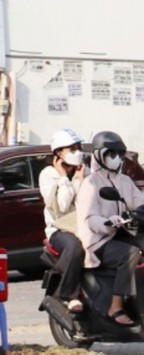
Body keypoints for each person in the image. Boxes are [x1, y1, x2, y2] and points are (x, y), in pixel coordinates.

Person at [81, 131, 144, 327]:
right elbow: (90, 218)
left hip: (121, 234)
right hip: (98, 241)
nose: (116, 158)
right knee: (130, 253)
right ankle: (115, 306)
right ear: (100, 155)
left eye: (119, 154)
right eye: (111, 153)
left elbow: (140, 203)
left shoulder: (124, 180)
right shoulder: (91, 183)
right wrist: (106, 222)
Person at [38, 128, 88, 311]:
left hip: (84, 226)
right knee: (75, 246)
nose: (77, 153)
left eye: (78, 148)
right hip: (60, 229)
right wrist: (65, 178)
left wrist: (81, 178)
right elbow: (63, 205)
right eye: (71, 149)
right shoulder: (48, 175)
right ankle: (67, 295)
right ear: (58, 153)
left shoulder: (83, 170)